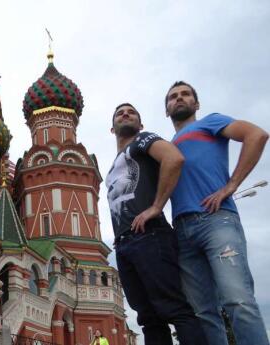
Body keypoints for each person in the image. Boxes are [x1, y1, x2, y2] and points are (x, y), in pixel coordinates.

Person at [165, 81, 269, 345]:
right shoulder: (168, 146)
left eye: (185, 95)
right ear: (167, 109)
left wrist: (232, 185)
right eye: (173, 97)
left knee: (237, 299)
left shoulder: (210, 122)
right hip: (182, 231)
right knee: (202, 312)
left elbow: (256, 135)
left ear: (196, 104)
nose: (179, 99)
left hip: (216, 220)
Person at [106, 103, 207, 345]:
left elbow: (173, 158)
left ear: (140, 124)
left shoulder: (143, 139)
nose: (125, 114)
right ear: (112, 129)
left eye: (131, 112)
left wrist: (156, 206)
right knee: (148, 318)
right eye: (120, 113)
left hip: (149, 235)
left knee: (173, 307)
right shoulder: (113, 165)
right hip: (124, 243)